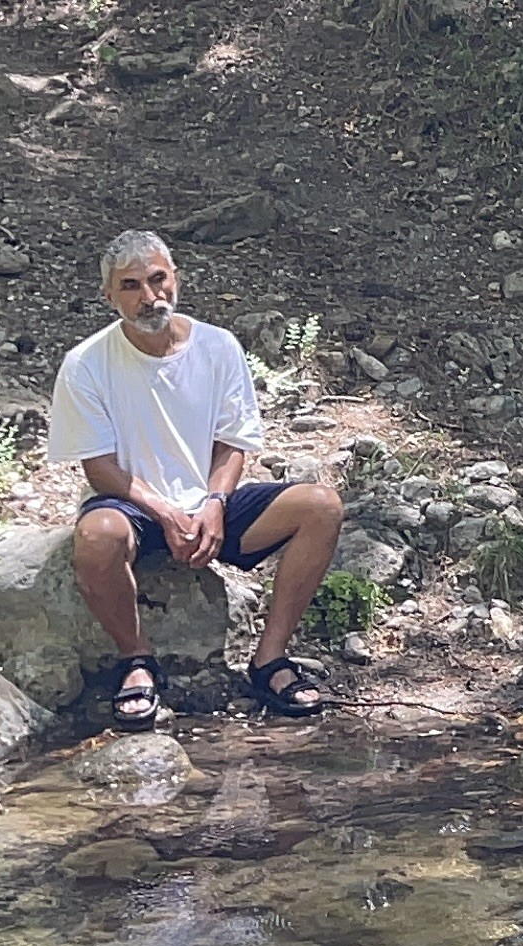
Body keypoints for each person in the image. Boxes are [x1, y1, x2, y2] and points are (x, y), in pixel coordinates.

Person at [52, 231, 347, 727]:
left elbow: (232, 443)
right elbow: (99, 468)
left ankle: (269, 660)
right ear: (109, 297)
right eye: (131, 286)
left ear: (176, 279)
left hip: (208, 501)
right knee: (97, 536)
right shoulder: (86, 364)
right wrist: (166, 513)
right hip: (132, 506)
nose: (150, 296)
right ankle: (136, 660)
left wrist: (214, 503)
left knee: (322, 506)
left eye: (157, 279)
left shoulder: (217, 346)